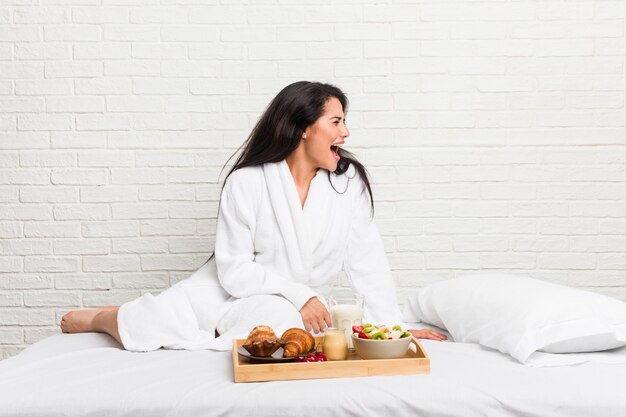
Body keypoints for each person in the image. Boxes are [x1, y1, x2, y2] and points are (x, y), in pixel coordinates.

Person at [60, 81, 446, 351]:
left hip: (293, 306)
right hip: (227, 291)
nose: (345, 132)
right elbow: (233, 269)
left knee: (284, 327)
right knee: (149, 323)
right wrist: (301, 294)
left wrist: (393, 329)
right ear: (303, 129)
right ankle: (102, 318)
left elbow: (368, 261)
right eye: (336, 121)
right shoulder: (246, 183)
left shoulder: (348, 185)